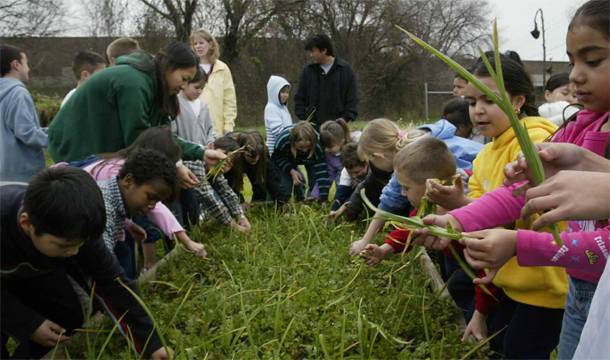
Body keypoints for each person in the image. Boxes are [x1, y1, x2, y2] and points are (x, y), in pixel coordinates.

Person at [418, 4, 610, 357]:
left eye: (593, 61)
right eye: (572, 64)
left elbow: (605, 246)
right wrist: (456, 219)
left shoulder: (541, 132)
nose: (576, 77)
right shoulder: (578, 129)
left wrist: (520, 244)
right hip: (578, 291)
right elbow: (516, 194)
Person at [413, 55, 569, 358]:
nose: (478, 110)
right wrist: (454, 206)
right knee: (503, 345)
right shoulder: (484, 156)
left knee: (520, 349)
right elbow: (485, 213)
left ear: (519, 100)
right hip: (509, 278)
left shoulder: (534, 138)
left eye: (489, 100)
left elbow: (519, 200)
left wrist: (459, 211)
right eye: (471, 102)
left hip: (545, 281)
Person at [0, 167, 173, 359]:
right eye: (64, 246)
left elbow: (113, 283)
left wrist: (153, 344)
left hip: (37, 269)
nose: (74, 252)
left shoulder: (76, 226)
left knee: (67, 318)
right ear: (27, 224)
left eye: (79, 245)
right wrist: (27, 323)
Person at [47, 42, 226, 185]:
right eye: (184, 79)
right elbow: (139, 139)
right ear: (169, 67)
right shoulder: (134, 84)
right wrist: (176, 165)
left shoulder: (159, 88)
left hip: (104, 146)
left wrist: (201, 153)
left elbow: (162, 136)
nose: (184, 86)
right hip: (75, 144)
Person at [74, 127, 207, 274]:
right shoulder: (118, 171)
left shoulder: (127, 175)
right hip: (78, 218)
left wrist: (128, 224)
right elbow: (106, 208)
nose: (152, 205)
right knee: (112, 257)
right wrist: (186, 241)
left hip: (94, 219)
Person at [348, 118, 481, 257]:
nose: (403, 192)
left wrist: (365, 241)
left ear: (378, 156)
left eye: (372, 161)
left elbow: (387, 203)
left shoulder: (413, 159)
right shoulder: (421, 140)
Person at [360, 138, 460, 267]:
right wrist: (384, 250)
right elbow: (408, 229)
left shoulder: (468, 204)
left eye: (406, 188)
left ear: (432, 185)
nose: (402, 193)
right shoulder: (427, 207)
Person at [0, 45, 48, 182]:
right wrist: (57, 139)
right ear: (16, 64)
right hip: (22, 175)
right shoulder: (17, 93)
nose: (28, 68)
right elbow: (26, 132)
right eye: (26, 63)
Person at [186, 137, 252, 233]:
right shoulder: (196, 161)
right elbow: (208, 197)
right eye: (222, 158)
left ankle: (191, 236)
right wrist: (233, 226)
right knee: (187, 206)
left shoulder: (214, 167)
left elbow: (225, 191)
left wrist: (241, 217)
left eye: (228, 164)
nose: (223, 164)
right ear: (211, 147)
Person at [294, 33, 359, 130]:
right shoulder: (307, 72)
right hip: (312, 132)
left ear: (324, 50)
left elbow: (353, 100)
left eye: (313, 51)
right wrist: (306, 120)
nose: (311, 55)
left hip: (338, 132)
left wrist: (342, 121)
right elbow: (299, 99)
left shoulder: (346, 71)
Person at [225, 130, 290, 210]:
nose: (256, 158)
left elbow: (273, 181)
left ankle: (258, 205)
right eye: (251, 157)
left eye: (258, 156)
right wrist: (240, 200)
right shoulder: (231, 155)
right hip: (237, 161)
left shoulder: (262, 154)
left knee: (259, 185)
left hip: (253, 159)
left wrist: (283, 203)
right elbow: (229, 182)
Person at [190, 28, 237, 135]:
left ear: (210, 44)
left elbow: (229, 100)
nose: (198, 46)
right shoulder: (190, 68)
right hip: (193, 127)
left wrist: (228, 126)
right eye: (195, 43)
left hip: (216, 129)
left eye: (201, 43)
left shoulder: (222, 68)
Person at [271, 121, 330, 203]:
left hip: (312, 160)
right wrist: (291, 170)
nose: (305, 150)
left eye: (308, 147)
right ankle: (283, 204)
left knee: (314, 182)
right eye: (301, 147)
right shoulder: (284, 140)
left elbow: (322, 174)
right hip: (288, 158)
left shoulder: (318, 145)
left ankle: (312, 201)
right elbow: (276, 158)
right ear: (293, 142)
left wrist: (324, 198)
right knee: (285, 186)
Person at [172, 66, 216, 147]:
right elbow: (172, 134)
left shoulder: (203, 106)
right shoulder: (175, 104)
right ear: (184, 83)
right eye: (196, 88)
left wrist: (209, 144)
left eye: (202, 88)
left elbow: (211, 129)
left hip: (204, 156)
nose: (199, 91)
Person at [310, 118, 352, 201]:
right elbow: (328, 175)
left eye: (330, 147)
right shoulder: (329, 155)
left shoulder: (352, 151)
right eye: (324, 147)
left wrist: (358, 180)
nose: (326, 150)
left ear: (341, 142)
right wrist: (317, 195)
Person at [328, 142, 368, 219]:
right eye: (350, 173)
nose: (354, 176)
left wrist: (342, 209)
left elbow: (357, 194)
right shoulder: (346, 171)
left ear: (366, 163)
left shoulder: (373, 168)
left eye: (357, 172)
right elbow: (341, 192)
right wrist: (333, 211)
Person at [265, 75, 292, 155]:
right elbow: (278, 132)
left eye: (287, 92)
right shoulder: (271, 108)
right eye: (282, 92)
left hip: (285, 151)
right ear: (274, 92)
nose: (285, 95)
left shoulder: (284, 108)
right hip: (275, 153)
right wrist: (295, 133)